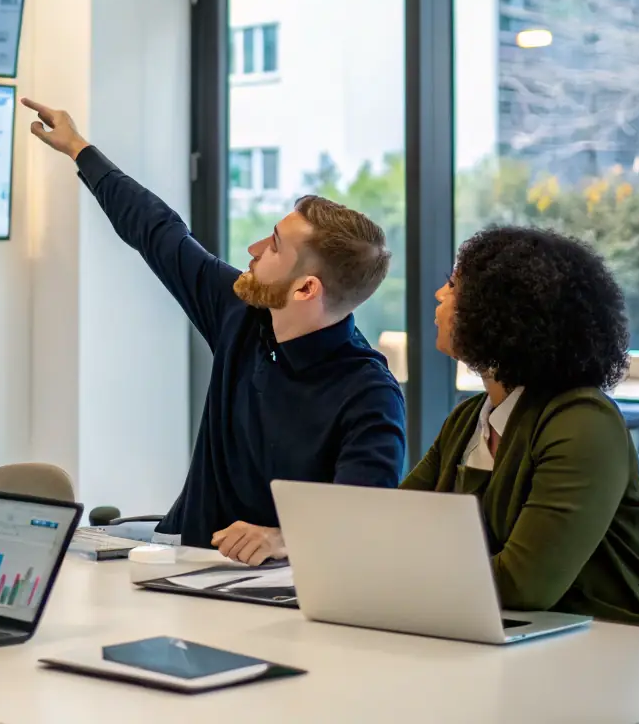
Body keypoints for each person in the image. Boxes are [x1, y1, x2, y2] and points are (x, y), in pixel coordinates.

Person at [23, 98, 406, 564]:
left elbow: (364, 520)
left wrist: (282, 538)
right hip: (179, 557)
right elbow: (159, 232)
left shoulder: (369, 394)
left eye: (274, 247)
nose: (253, 248)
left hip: (270, 589)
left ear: (306, 288)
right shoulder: (244, 312)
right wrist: (79, 148)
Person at [403, 226, 639, 634]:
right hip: (529, 637)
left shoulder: (582, 421)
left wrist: (404, 572)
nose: (441, 295)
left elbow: (523, 585)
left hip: (636, 647)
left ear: (502, 311)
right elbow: (395, 529)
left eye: (454, 285)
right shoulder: (468, 422)